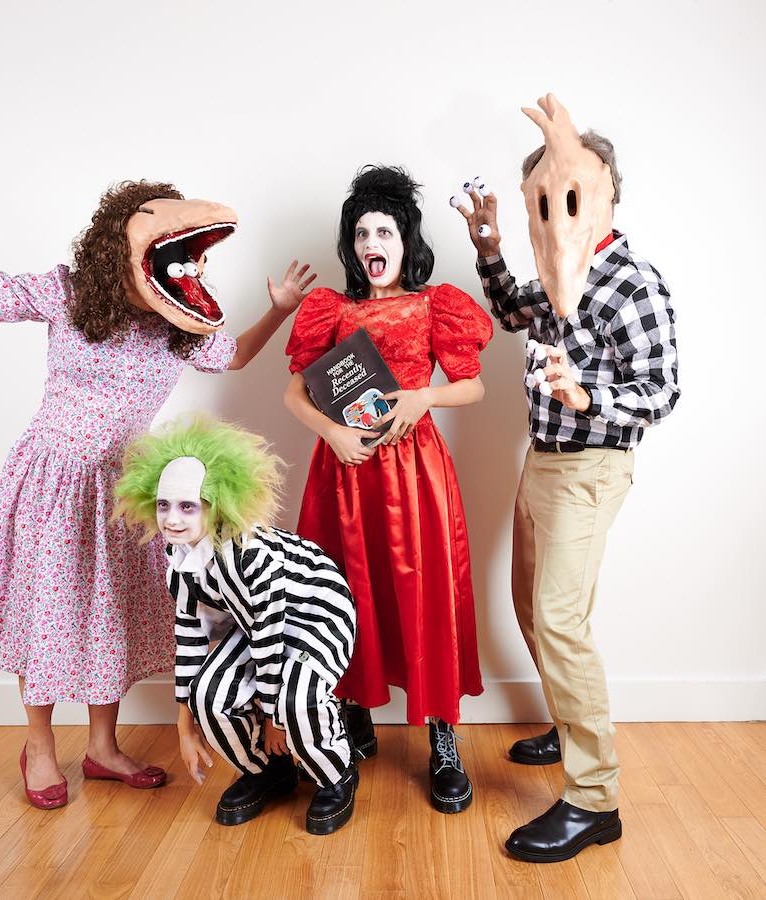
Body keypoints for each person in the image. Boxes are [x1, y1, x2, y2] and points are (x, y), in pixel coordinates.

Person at [0, 133, 313, 809]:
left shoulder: (179, 325)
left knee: (109, 614)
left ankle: (103, 747)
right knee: (48, 611)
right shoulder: (67, 292)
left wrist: (280, 310)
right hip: (52, 479)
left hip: (126, 489)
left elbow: (231, 359)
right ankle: (39, 747)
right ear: (122, 244)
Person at [456, 94, 680, 861]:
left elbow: (662, 391)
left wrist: (589, 396)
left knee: (559, 619)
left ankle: (595, 799)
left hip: (591, 468)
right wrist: (487, 248)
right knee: (530, 607)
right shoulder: (558, 274)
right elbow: (514, 310)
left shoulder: (633, 283)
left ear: (605, 190)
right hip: (540, 463)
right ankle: (567, 722)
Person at [284, 165, 492, 814]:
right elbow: (294, 392)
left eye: (385, 229)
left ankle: (442, 738)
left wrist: (425, 394)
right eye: (361, 232)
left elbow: (473, 385)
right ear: (352, 246)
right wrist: (332, 434)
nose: (373, 241)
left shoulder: (437, 304)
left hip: (416, 472)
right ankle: (354, 717)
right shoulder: (332, 310)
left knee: (424, 595)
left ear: (406, 240)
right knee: (345, 594)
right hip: (345, 473)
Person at [116, 416, 359, 834]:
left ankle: (336, 773)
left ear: (215, 503)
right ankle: (269, 771)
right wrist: (183, 723)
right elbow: (189, 637)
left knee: (293, 699)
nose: (171, 519)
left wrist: (270, 717)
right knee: (208, 696)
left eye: (187, 506)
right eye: (163, 505)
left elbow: (270, 634)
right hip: (254, 624)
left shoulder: (250, 554)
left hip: (316, 615)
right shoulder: (180, 564)